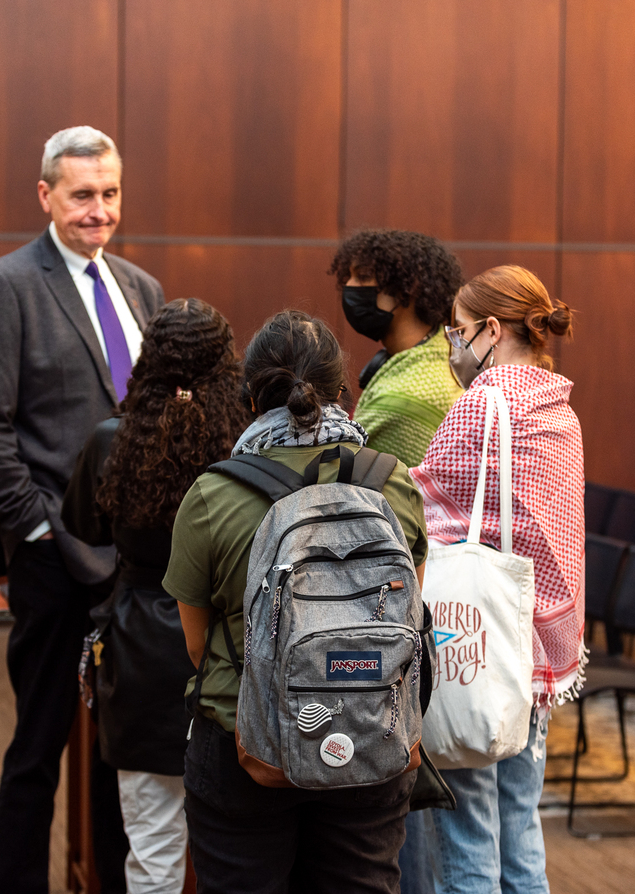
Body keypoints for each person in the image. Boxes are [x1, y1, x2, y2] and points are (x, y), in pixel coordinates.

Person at [0, 125, 166, 894]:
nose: (98, 210)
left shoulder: (141, 289)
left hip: (136, 567)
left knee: (122, 751)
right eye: (82, 195)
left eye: (109, 194)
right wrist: (38, 529)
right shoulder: (6, 284)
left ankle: (104, 881)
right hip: (53, 563)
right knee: (38, 751)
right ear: (46, 195)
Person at [163, 310, 431, 894]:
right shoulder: (395, 485)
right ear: (342, 393)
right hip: (371, 738)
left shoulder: (213, 494)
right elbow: (410, 614)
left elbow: (194, 644)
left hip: (246, 748)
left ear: (251, 399)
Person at [61, 298, 251, 892]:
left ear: (149, 359)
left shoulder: (110, 440)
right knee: (236, 845)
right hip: (229, 650)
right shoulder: (245, 447)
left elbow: (86, 528)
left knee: (151, 844)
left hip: (140, 653)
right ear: (228, 366)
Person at [409, 266, 583, 894]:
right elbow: (552, 527)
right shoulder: (557, 400)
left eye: (458, 332)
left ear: (489, 328)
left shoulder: (484, 401)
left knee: (470, 830)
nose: (454, 346)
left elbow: (424, 496)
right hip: (536, 647)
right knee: (521, 822)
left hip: (477, 646)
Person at [330, 228, 464, 468]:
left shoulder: (401, 397)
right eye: (347, 277)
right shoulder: (445, 355)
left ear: (407, 287)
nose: (349, 286)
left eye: (363, 276)